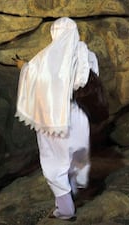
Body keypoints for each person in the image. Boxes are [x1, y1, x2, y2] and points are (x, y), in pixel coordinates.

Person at [14, 17, 99, 220]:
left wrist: (22, 67)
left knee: (54, 162)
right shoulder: (87, 54)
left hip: (55, 120)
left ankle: (65, 209)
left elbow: (35, 77)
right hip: (79, 116)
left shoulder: (48, 56)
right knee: (72, 161)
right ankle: (73, 192)